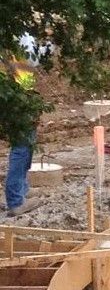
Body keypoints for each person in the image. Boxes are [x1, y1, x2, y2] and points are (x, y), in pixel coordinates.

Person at [5, 33, 46, 217]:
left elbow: (26, 70)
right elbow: (30, 62)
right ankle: (16, 201)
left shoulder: (17, 30)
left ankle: (22, 188)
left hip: (22, 91)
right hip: (17, 99)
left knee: (26, 146)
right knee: (21, 150)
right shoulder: (18, 34)